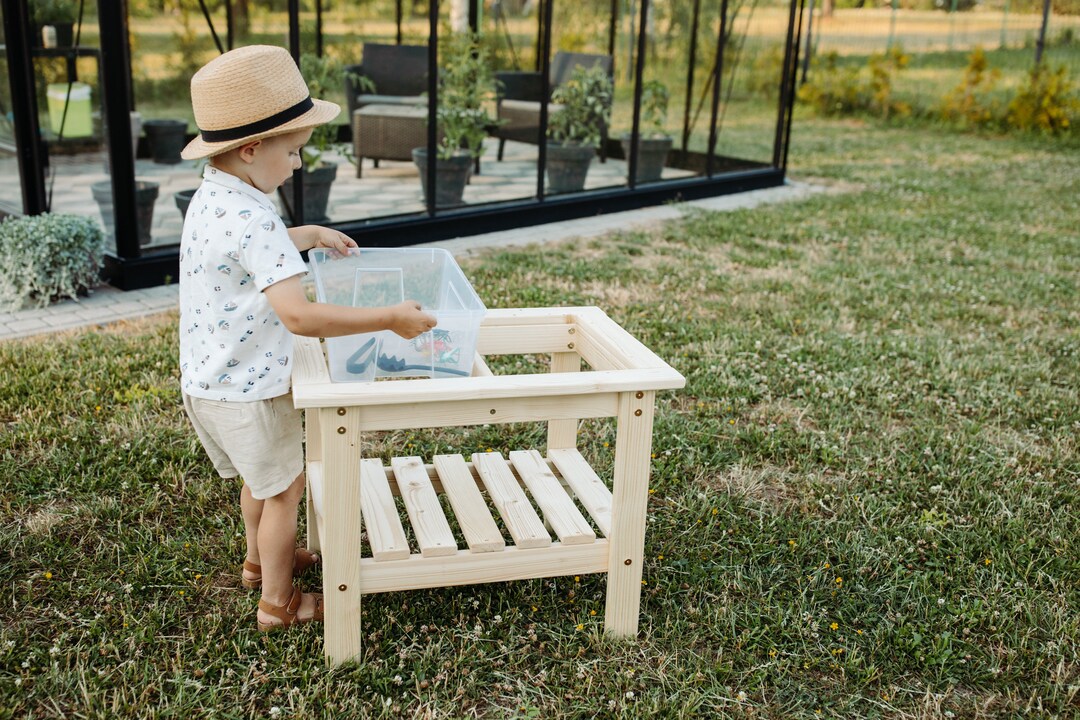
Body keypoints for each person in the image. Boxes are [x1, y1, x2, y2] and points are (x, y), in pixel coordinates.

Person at [177, 45, 436, 632]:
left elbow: (247, 249)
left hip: (211, 382)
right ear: (250, 149)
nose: (297, 163)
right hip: (251, 390)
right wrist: (389, 317)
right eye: (292, 151)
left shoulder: (214, 197)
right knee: (287, 491)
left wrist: (309, 233)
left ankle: (256, 562)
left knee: (260, 482)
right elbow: (299, 317)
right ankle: (278, 602)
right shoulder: (256, 217)